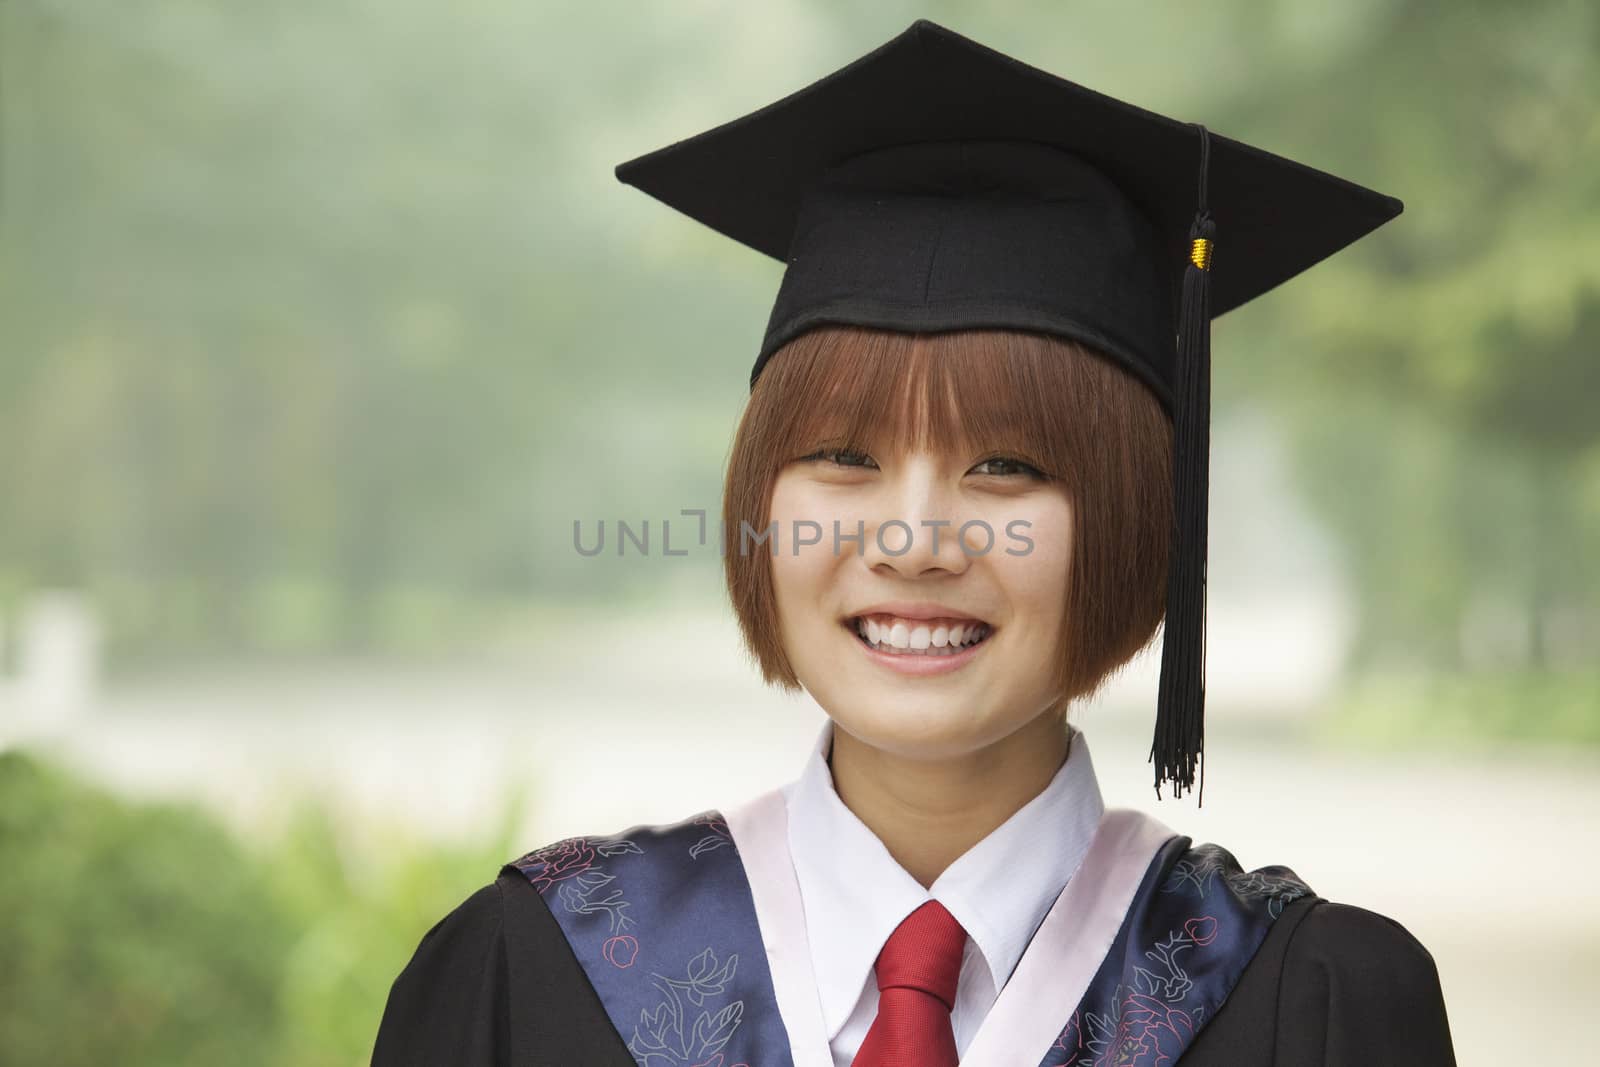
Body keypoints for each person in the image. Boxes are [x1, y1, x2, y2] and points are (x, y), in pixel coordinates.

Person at [372, 19, 1457, 1066]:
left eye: (1007, 468)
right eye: (844, 455)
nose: (916, 539)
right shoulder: (531, 969)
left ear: (1134, 518)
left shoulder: (1302, 1002)